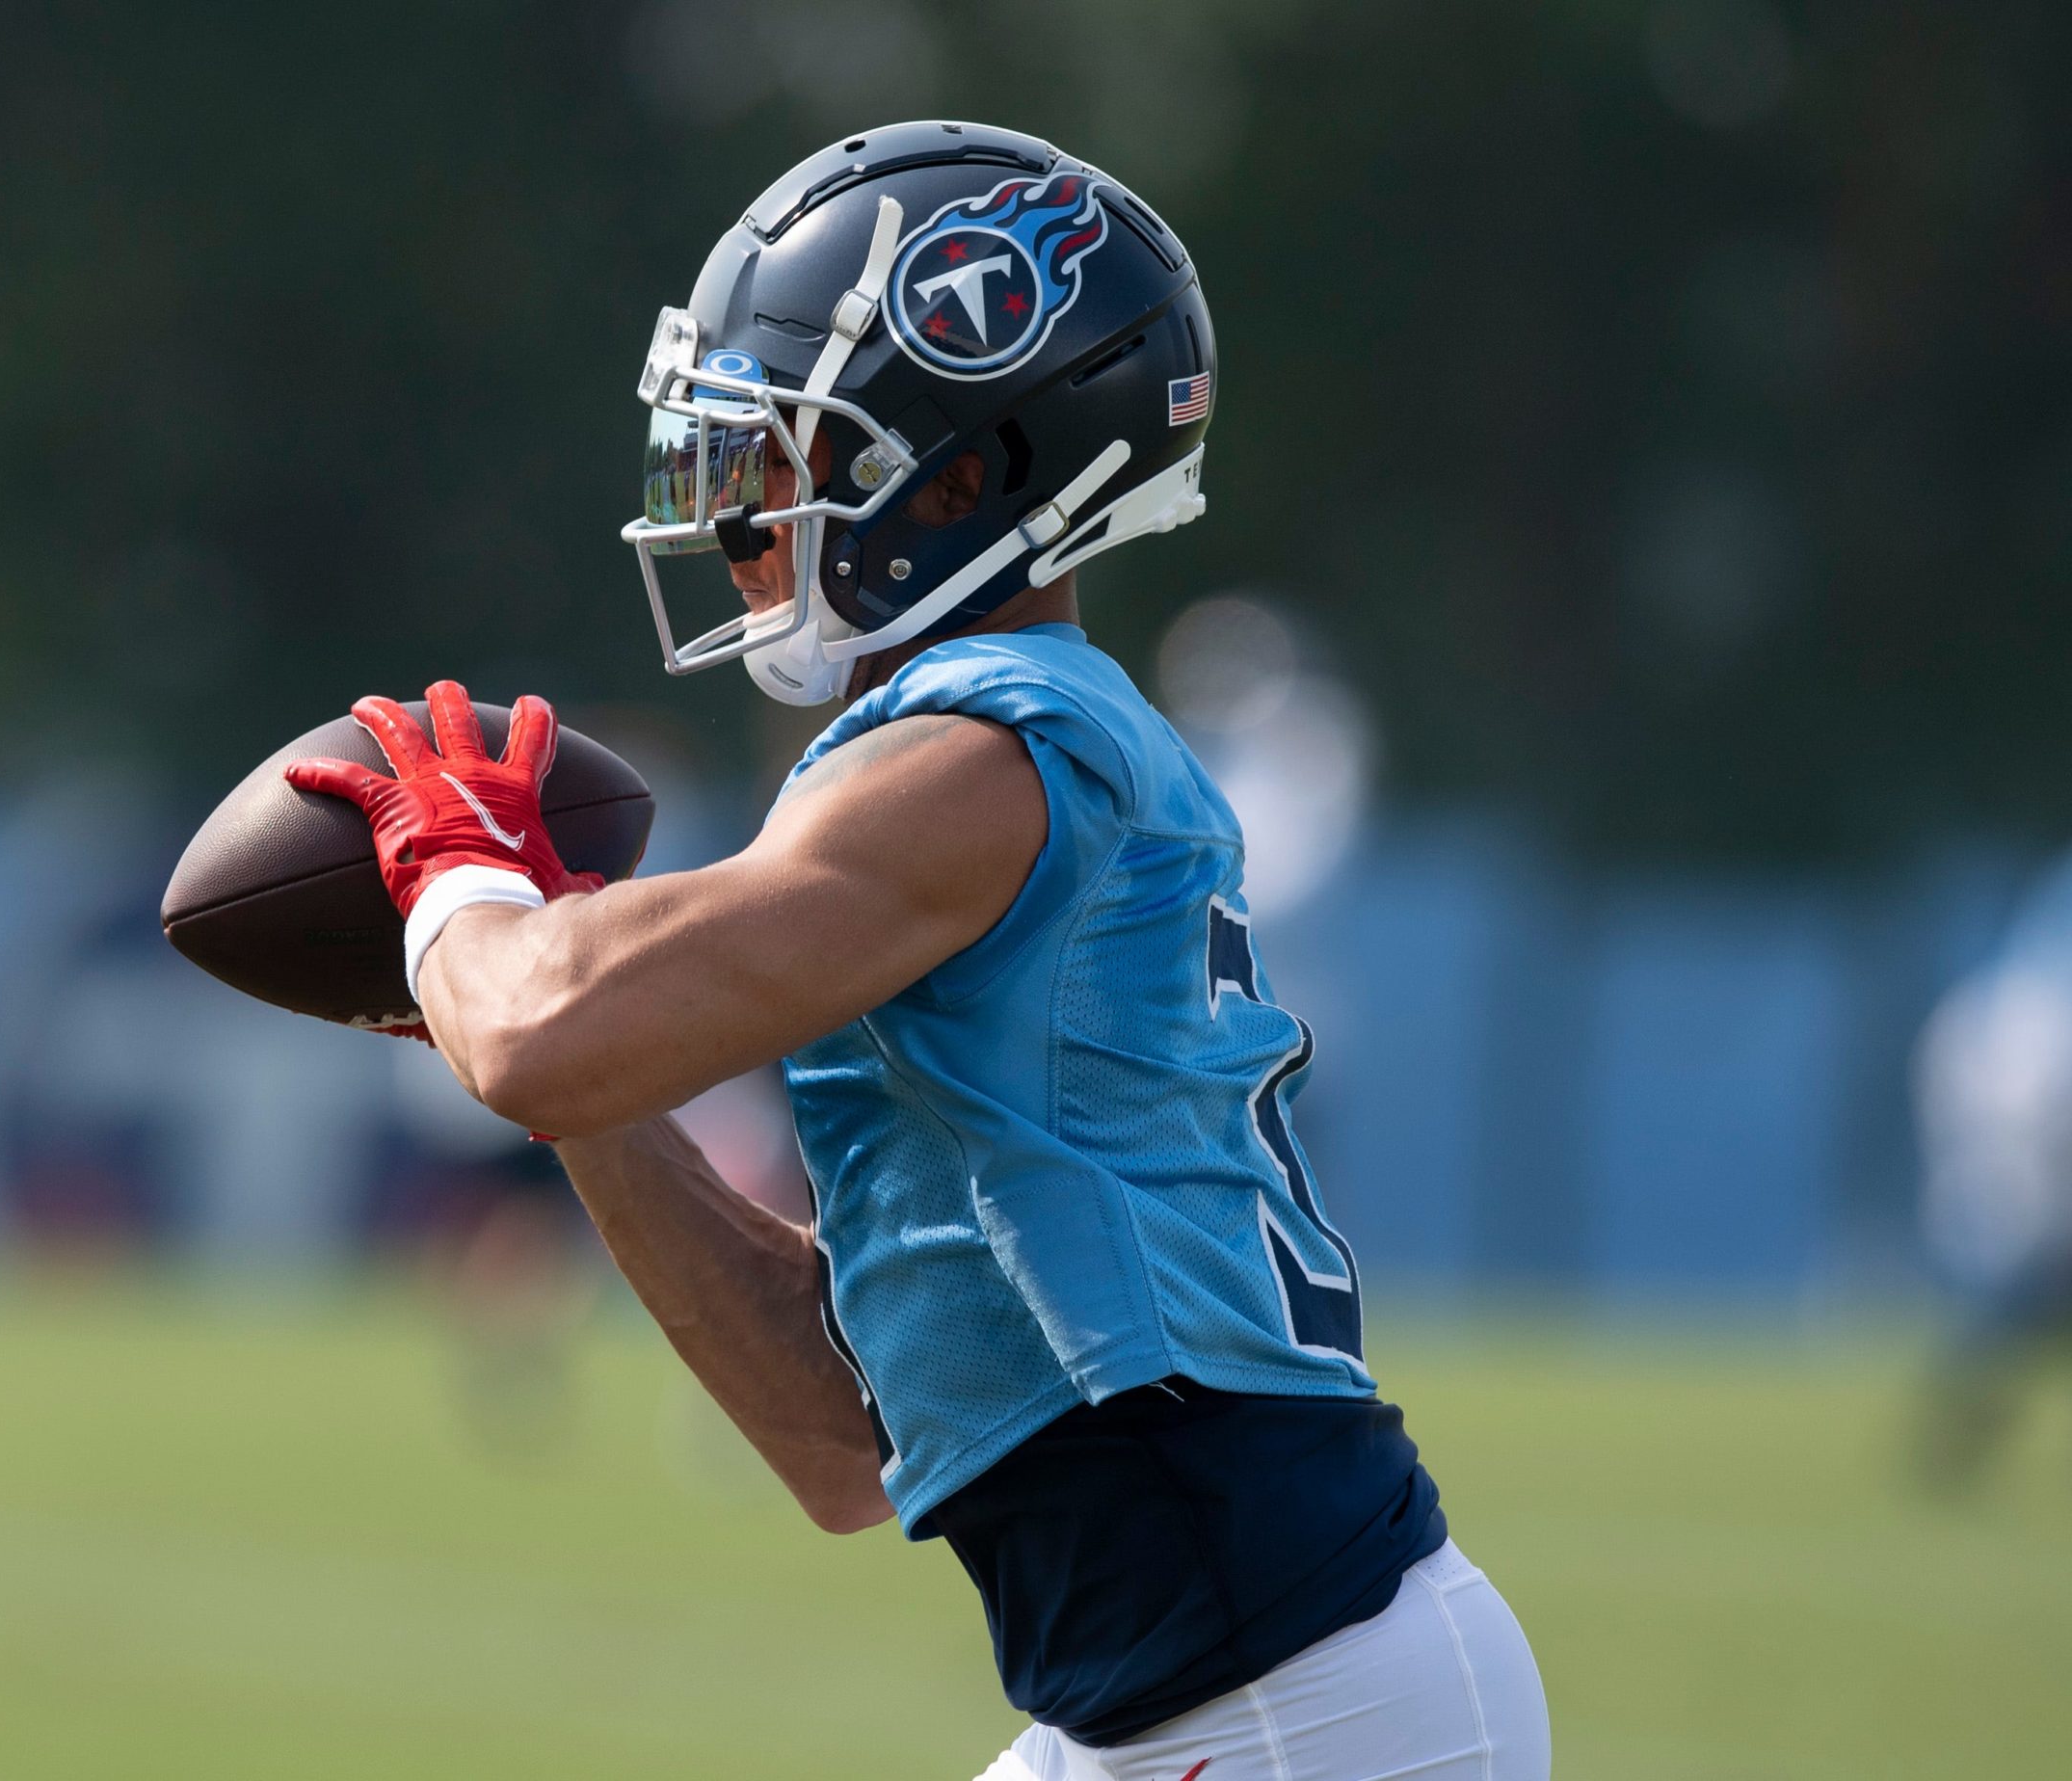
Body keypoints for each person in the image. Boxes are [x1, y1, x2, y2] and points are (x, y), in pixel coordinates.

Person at [286, 121, 1550, 1781]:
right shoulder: (976, 757)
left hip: (1283, 1710)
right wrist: (567, 1040)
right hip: (1197, 1691)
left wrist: (463, 884)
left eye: (778, 457)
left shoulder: (990, 757)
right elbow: (833, 1437)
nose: (734, 518)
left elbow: (538, 1030)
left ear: (965, 474)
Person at [1912, 853, 2072, 1494]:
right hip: (2036, 1099)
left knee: (2035, 1297)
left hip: (2025, 1095)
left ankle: (1959, 1427)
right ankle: (1959, 1427)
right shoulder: (2031, 1013)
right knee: (2037, 1290)